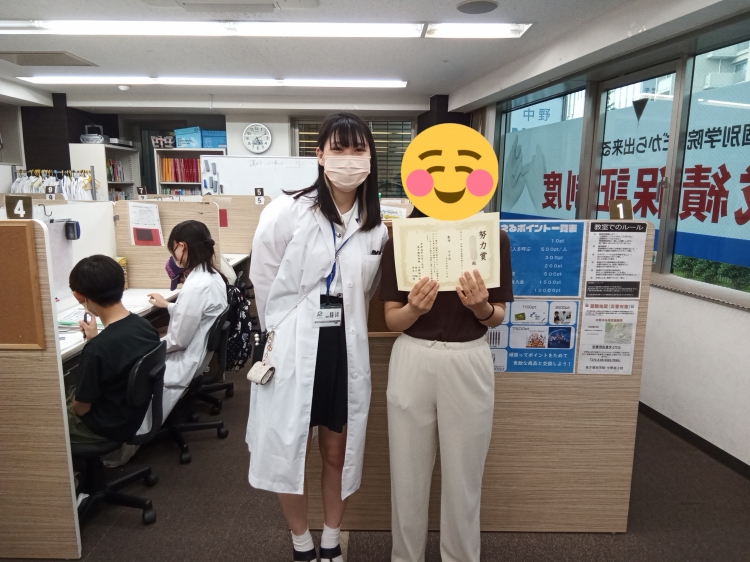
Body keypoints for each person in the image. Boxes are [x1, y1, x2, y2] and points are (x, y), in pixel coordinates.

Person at [247, 113, 388, 562]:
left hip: (344, 346)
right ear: (320, 155)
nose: (349, 158)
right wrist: (283, 328)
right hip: (292, 343)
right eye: (339, 148)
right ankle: (301, 542)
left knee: (335, 449)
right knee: (289, 447)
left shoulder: (375, 226)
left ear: (371, 158)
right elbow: (263, 280)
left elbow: (365, 291)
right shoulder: (285, 212)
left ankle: (331, 538)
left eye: (358, 149)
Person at [380, 208, 514, 562]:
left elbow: (498, 315)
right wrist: (414, 310)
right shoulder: (401, 239)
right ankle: (405, 557)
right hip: (413, 354)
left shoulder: (492, 237)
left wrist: (482, 308)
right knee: (407, 473)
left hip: (468, 356)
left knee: (464, 476)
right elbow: (392, 318)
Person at [142, 220, 228, 432]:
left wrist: (144, 348)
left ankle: (131, 436)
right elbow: (200, 314)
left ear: (182, 246)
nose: (174, 255)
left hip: (186, 359)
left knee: (130, 360)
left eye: (174, 250)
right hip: (201, 355)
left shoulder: (196, 285)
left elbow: (178, 340)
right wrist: (168, 305)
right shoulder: (213, 276)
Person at [66, 255, 161, 445]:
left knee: (46, 414)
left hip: (105, 427)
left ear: (78, 296)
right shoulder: (144, 326)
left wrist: (94, 343)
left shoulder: (97, 349)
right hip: (129, 417)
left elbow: (81, 409)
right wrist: (95, 340)